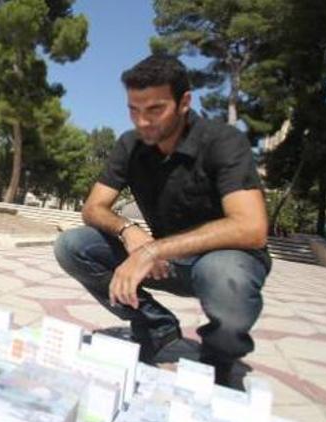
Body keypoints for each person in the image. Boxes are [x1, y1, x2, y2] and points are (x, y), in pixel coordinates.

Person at [54, 54, 271, 389]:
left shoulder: (223, 141)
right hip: (166, 261)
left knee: (226, 277)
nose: (142, 122)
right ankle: (156, 327)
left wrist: (153, 251)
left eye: (154, 109)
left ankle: (218, 358)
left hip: (225, 261)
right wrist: (129, 231)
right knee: (72, 246)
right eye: (133, 110)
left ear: (184, 102)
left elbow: (251, 228)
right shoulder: (130, 145)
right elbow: (93, 208)